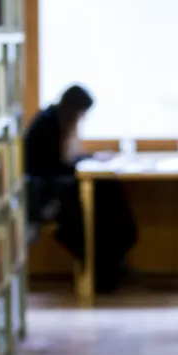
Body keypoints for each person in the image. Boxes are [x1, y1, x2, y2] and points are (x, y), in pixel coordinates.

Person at [24, 84, 137, 292]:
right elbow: (55, 166)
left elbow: (65, 162)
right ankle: (106, 264)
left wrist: (91, 158)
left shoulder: (57, 120)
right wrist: (87, 161)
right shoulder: (49, 124)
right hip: (47, 194)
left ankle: (113, 259)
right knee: (100, 201)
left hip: (55, 185)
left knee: (108, 191)